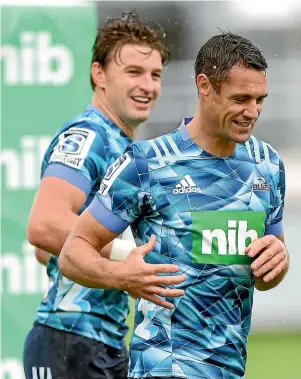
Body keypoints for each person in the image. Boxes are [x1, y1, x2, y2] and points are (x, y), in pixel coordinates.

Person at [59, 32, 289, 379]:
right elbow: (73, 252)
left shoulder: (267, 164)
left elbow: (266, 274)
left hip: (230, 368)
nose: (252, 111)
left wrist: (279, 262)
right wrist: (121, 276)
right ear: (205, 86)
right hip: (163, 367)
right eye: (240, 99)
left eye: (260, 100)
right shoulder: (146, 163)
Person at [23, 12, 186, 379]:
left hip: (94, 342)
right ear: (99, 74)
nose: (148, 85)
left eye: (155, 75)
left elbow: (44, 251)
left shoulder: (121, 143)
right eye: (133, 72)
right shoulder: (90, 135)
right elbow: (44, 226)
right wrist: (127, 256)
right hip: (73, 341)